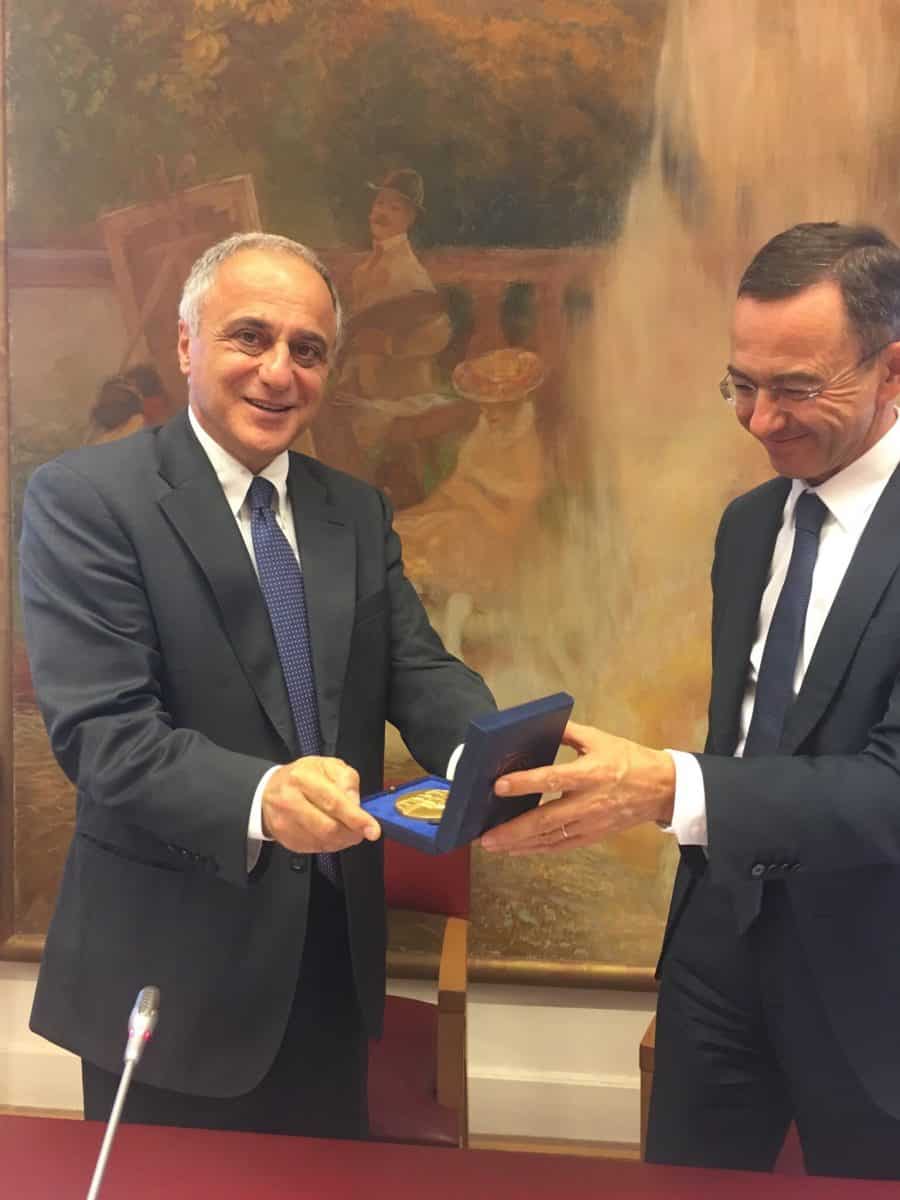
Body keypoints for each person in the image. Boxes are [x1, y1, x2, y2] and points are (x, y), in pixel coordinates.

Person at [20, 231, 494, 1138]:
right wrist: (267, 794)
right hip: (168, 970)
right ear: (187, 343)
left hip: (327, 967)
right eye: (249, 337)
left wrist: (508, 755)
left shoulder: (352, 510)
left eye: (307, 350)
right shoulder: (86, 500)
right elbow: (106, 737)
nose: (279, 372)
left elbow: (418, 670)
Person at [481, 222, 900, 1180]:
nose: (760, 421)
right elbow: (749, 731)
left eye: (797, 389)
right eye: (741, 385)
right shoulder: (748, 527)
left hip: (877, 979)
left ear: (892, 372)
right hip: (718, 954)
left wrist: (669, 788)